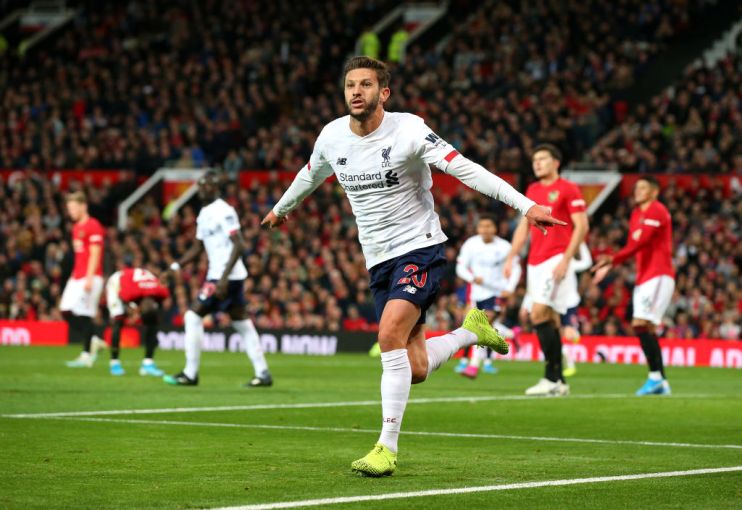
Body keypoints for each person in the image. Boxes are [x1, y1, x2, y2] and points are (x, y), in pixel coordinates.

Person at [261, 56, 565, 476]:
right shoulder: (332, 136)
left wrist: (526, 205)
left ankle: (386, 447)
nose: (356, 92)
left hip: (420, 249)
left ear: (383, 93)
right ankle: (469, 332)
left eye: (366, 85)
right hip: (377, 259)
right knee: (416, 367)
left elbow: (466, 169)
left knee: (388, 335)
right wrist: (281, 209)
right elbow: (310, 174)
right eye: (351, 84)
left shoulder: (409, 129)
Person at [162, 171, 272, 388]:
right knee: (242, 324)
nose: (202, 189)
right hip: (226, 276)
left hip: (225, 277)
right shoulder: (203, 213)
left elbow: (239, 244)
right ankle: (263, 373)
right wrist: (174, 267)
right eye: (200, 185)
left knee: (193, 316)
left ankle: (190, 373)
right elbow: (197, 247)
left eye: (206, 186)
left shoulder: (223, 210)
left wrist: (222, 279)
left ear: (215, 188)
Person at [504, 144, 589, 397]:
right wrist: (511, 256)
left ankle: (550, 378)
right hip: (534, 262)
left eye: (542, 158)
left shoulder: (568, 189)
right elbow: (523, 226)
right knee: (549, 319)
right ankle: (559, 381)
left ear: (556, 162)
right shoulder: (532, 189)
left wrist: (566, 259)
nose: (537, 163)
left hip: (556, 259)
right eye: (535, 159)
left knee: (538, 313)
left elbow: (581, 226)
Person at [592, 176, 675, 395]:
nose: (638, 191)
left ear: (654, 192)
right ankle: (661, 381)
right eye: (637, 187)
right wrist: (611, 264)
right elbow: (633, 247)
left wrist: (613, 259)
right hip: (644, 276)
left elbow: (642, 242)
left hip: (658, 273)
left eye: (644, 188)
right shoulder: (636, 214)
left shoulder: (657, 210)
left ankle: (655, 377)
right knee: (644, 326)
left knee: (641, 323)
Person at [454, 215, 521, 378]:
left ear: (495, 229)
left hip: (497, 292)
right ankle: (511, 334)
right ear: (478, 229)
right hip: (477, 294)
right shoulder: (471, 245)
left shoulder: (504, 247)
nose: (485, 229)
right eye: (482, 226)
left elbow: (516, 268)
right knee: (484, 327)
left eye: (489, 226)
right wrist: (471, 278)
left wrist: (510, 288)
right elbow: (460, 267)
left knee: (481, 326)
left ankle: (473, 366)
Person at [62, 191, 107, 367]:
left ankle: (87, 355)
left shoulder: (93, 225)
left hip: (90, 276)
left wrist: (89, 277)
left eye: (73, 208)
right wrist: (74, 274)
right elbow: (80, 255)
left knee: (84, 313)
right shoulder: (76, 228)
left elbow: (95, 253)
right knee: (65, 310)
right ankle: (94, 339)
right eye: (69, 208)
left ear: (83, 206)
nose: (70, 211)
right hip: (77, 276)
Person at [105, 266, 170, 376]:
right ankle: (114, 363)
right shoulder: (129, 293)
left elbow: (157, 308)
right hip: (117, 283)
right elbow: (123, 299)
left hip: (139, 286)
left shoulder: (161, 292)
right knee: (118, 320)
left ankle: (148, 363)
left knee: (152, 322)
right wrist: (132, 312)